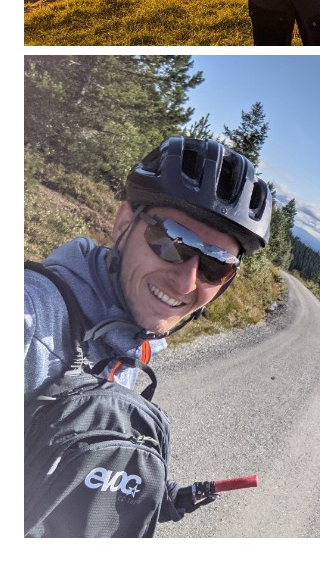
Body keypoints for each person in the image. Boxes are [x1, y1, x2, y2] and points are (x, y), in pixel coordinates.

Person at [24, 138, 271, 531]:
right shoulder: (33, 319)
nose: (187, 281)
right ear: (124, 223)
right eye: (173, 241)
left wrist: (155, 491)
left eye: (214, 266)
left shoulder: (125, 335)